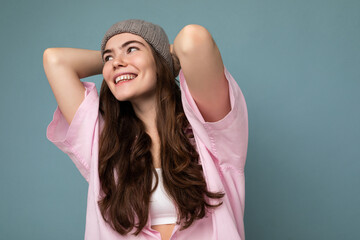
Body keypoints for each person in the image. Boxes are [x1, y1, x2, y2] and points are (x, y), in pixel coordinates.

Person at [43, 19, 248, 240]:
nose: (116, 62)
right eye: (108, 57)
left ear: (160, 61)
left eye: (132, 49)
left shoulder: (212, 135)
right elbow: (55, 60)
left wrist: (161, 52)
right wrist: (124, 61)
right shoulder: (103, 145)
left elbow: (193, 40)